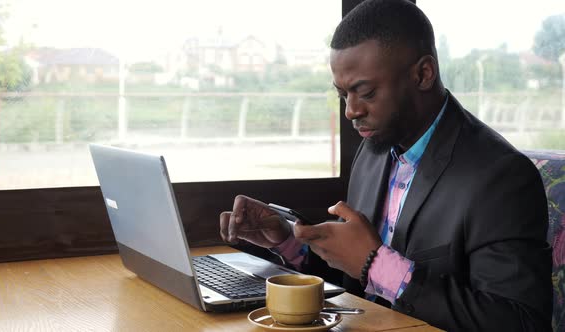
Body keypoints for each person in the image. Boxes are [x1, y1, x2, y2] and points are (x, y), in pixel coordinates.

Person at [219, 0, 553, 330]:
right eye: (342, 95)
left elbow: (518, 321)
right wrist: (287, 240)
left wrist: (377, 264)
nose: (351, 110)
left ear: (423, 74)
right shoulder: (374, 151)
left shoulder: (501, 177)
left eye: (364, 93)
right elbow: (358, 283)